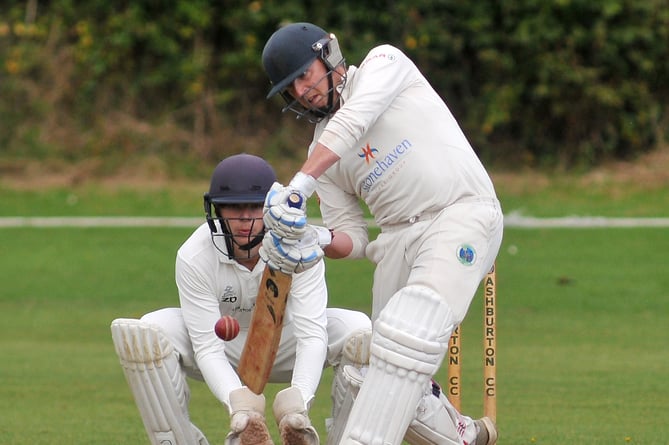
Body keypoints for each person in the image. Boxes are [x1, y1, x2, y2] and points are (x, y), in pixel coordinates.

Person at [260, 23, 503, 445]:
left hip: (459, 213)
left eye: (305, 74)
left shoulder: (384, 64)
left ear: (329, 54)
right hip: (395, 243)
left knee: (409, 334)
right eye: (290, 87)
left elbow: (354, 121)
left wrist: (300, 184)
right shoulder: (322, 151)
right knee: (369, 370)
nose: (302, 91)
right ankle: (464, 435)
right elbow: (351, 238)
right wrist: (313, 238)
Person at [110, 153, 372, 445]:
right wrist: (238, 404)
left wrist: (298, 401)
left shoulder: (300, 247)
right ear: (217, 210)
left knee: (358, 332)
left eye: (254, 207)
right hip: (225, 348)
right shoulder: (194, 254)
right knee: (147, 332)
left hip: (288, 343)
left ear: (270, 208)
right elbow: (206, 346)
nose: (245, 218)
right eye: (234, 207)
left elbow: (312, 333)